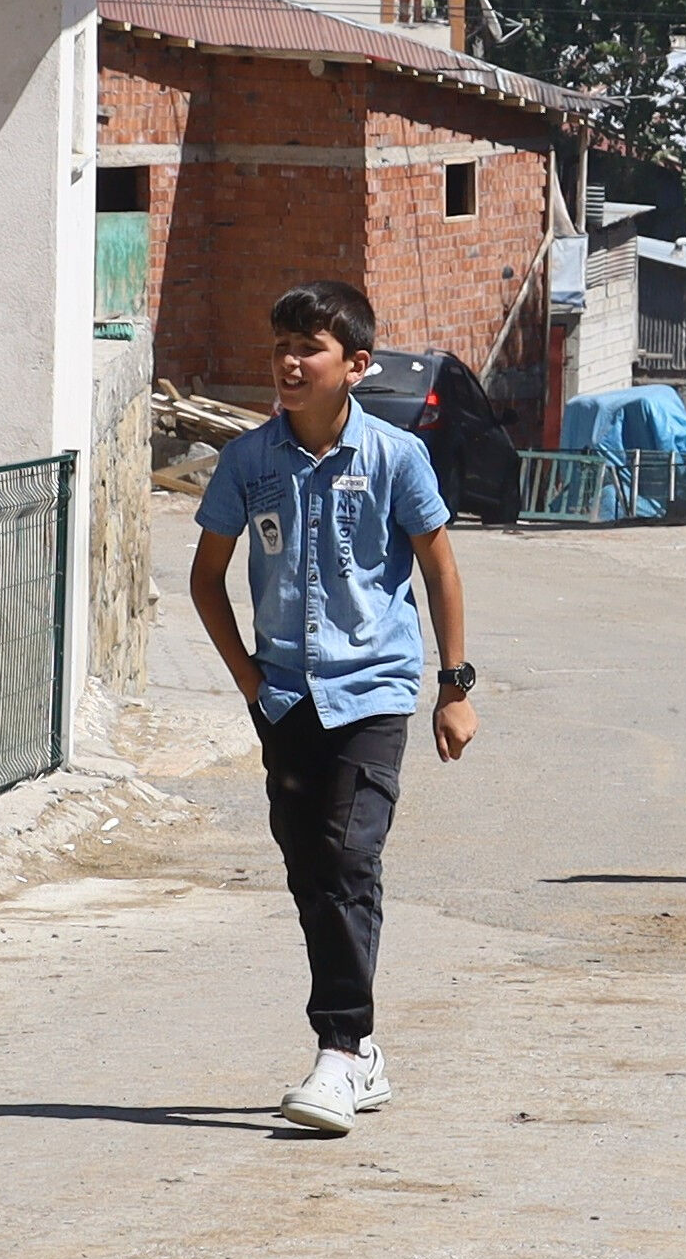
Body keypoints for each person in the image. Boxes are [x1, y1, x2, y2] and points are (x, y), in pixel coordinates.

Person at [189, 278, 477, 1134]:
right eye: (280, 344)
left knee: (349, 859)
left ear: (355, 365)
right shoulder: (249, 461)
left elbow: (441, 568)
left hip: (374, 691)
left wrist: (452, 688)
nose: (287, 361)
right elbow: (207, 580)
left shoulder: (395, 457)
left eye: (308, 348)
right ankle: (364, 1051)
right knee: (311, 871)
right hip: (283, 697)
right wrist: (249, 681)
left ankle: (340, 1052)